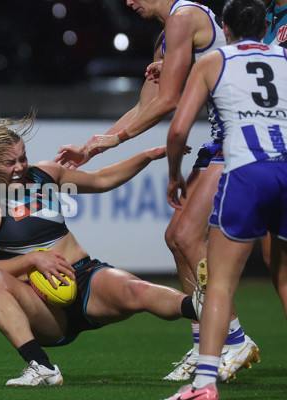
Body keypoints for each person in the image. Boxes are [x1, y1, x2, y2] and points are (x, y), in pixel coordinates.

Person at [54, 0, 260, 382]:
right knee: (176, 237)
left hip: (240, 139)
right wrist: (94, 144)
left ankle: (233, 337)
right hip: (221, 140)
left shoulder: (184, 17)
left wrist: (112, 140)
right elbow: (145, 104)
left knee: (187, 236)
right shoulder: (167, 35)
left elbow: (168, 101)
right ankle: (204, 346)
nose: (129, 3)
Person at [0, 114, 203, 386]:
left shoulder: (44, 174)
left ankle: (222, 323)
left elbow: (101, 180)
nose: (19, 167)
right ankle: (42, 367)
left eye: (22, 158)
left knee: (138, 290)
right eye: (9, 162)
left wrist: (147, 155)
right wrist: (33, 260)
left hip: (86, 279)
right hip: (43, 306)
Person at [164, 0, 287, 398]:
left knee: (219, 282)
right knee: (284, 275)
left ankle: (204, 384)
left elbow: (178, 132)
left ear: (224, 27)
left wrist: (173, 176)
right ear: (266, 23)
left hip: (247, 172)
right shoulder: (284, 56)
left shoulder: (213, 60)